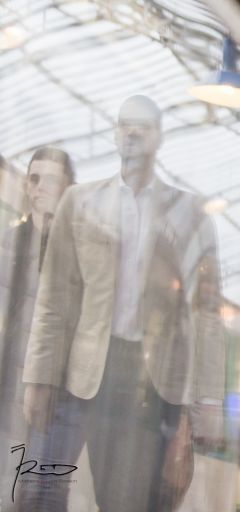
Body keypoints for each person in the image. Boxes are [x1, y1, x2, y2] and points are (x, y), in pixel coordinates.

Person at [20, 95, 225, 511]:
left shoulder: (189, 215)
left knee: (122, 500)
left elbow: (206, 316)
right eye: (124, 124)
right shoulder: (80, 203)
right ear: (114, 134)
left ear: (158, 138)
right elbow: (53, 298)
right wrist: (37, 377)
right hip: (82, 370)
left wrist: (205, 403)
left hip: (145, 382)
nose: (132, 132)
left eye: (143, 126)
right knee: (38, 491)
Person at [0, 147, 75, 509]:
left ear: (68, 188)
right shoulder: (8, 245)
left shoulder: (80, 252)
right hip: (10, 389)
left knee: (46, 492)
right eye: (33, 178)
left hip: (56, 397)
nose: (40, 187)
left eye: (51, 179)